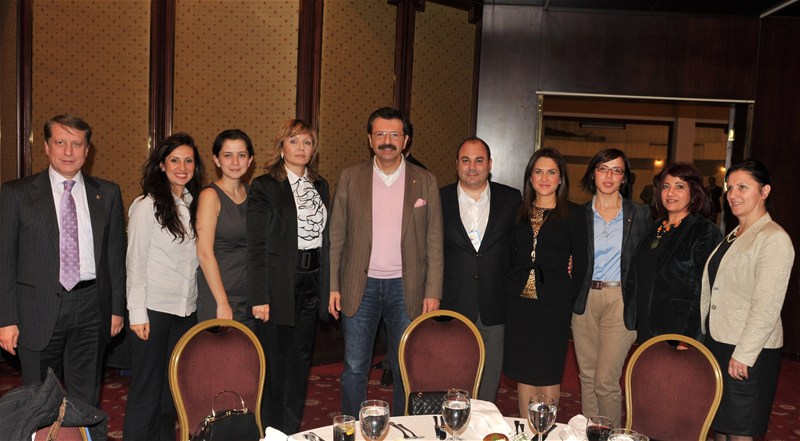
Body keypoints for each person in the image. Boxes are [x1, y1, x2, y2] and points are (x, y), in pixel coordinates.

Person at [0, 115, 126, 408]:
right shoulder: (16, 193)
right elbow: (4, 261)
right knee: (39, 399)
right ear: (46, 147)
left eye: (76, 144)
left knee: (86, 399)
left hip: (92, 306)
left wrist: (116, 309)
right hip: (37, 309)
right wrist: (6, 319)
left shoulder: (106, 193)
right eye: (60, 143)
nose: (68, 152)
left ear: (87, 150)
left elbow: (115, 257)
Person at [328, 107, 443, 416]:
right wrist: (333, 286)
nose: (387, 141)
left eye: (394, 134)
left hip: (406, 288)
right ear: (370, 139)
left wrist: (432, 291)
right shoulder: (350, 177)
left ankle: (404, 429)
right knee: (354, 367)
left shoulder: (425, 180)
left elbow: (434, 240)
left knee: (405, 366)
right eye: (380, 134)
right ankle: (353, 428)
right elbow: (336, 235)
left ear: (405, 140)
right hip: (359, 285)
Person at [701, 160, 794, 441]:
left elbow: (767, 305)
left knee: (741, 431)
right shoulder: (735, 234)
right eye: (730, 188)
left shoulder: (773, 238)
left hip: (748, 351)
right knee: (720, 425)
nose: (733, 194)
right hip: (720, 342)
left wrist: (744, 354)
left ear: (764, 191)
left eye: (742, 187)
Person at [247, 119, 330, 433]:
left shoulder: (320, 185)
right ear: (281, 147)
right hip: (279, 284)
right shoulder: (265, 186)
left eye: (307, 142)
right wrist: (260, 296)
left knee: (300, 361)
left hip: (312, 280)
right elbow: (256, 246)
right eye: (294, 141)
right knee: (275, 364)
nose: (301, 148)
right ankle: (271, 431)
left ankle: (291, 430)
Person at [123, 133, 205, 441]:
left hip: (186, 311)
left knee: (172, 392)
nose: (182, 167)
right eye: (175, 160)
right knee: (146, 390)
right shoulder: (147, 206)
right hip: (153, 311)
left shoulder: (195, 204)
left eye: (188, 161)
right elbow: (135, 262)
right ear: (161, 165)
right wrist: (137, 314)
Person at [504, 148, 587, 417]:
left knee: (549, 371)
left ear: (561, 178)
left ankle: (545, 430)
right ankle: (527, 430)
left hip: (555, 304)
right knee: (524, 371)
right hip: (520, 303)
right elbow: (510, 255)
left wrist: (568, 296)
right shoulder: (517, 212)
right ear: (530, 177)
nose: (544, 178)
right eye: (538, 172)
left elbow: (582, 262)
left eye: (551, 172)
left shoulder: (575, 214)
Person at [572, 148, 651, 428]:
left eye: (616, 170)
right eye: (603, 168)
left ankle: (612, 434)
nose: (609, 176)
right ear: (593, 173)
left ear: (624, 178)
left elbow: (649, 260)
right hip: (585, 299)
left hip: (621, 299)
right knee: (587, 376)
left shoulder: (641, 214)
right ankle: (593, 432)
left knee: (605, 379)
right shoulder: (578, 214)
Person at [440, 137, 521, 402]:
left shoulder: (511, 198)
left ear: (490, 164)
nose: (472, 167)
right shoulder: (439, 198)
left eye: (479, 160)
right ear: (456, 164)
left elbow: (522, 246)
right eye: (466, 160)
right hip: (453, 302)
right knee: (452, 375)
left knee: (489, 379)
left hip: (495, 303)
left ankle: (484, 420)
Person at [626, 163, 721, 343]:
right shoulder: (656, 226)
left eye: (679, 186)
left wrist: (689, 338)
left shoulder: (703, 230)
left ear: (694, 193)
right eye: (666, 186)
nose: (670, 193)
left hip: (677, 331)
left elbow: (706, 289)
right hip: (645, 324)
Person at [196, 129, 255, 329]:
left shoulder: (254, 194)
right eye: (228, 155)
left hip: (248, 297)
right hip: (219, 295)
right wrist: (222, 303)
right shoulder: (210, 196)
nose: (235, 162)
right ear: (217, 160)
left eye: (241, 155)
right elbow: (204, 253)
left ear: (250, 160)